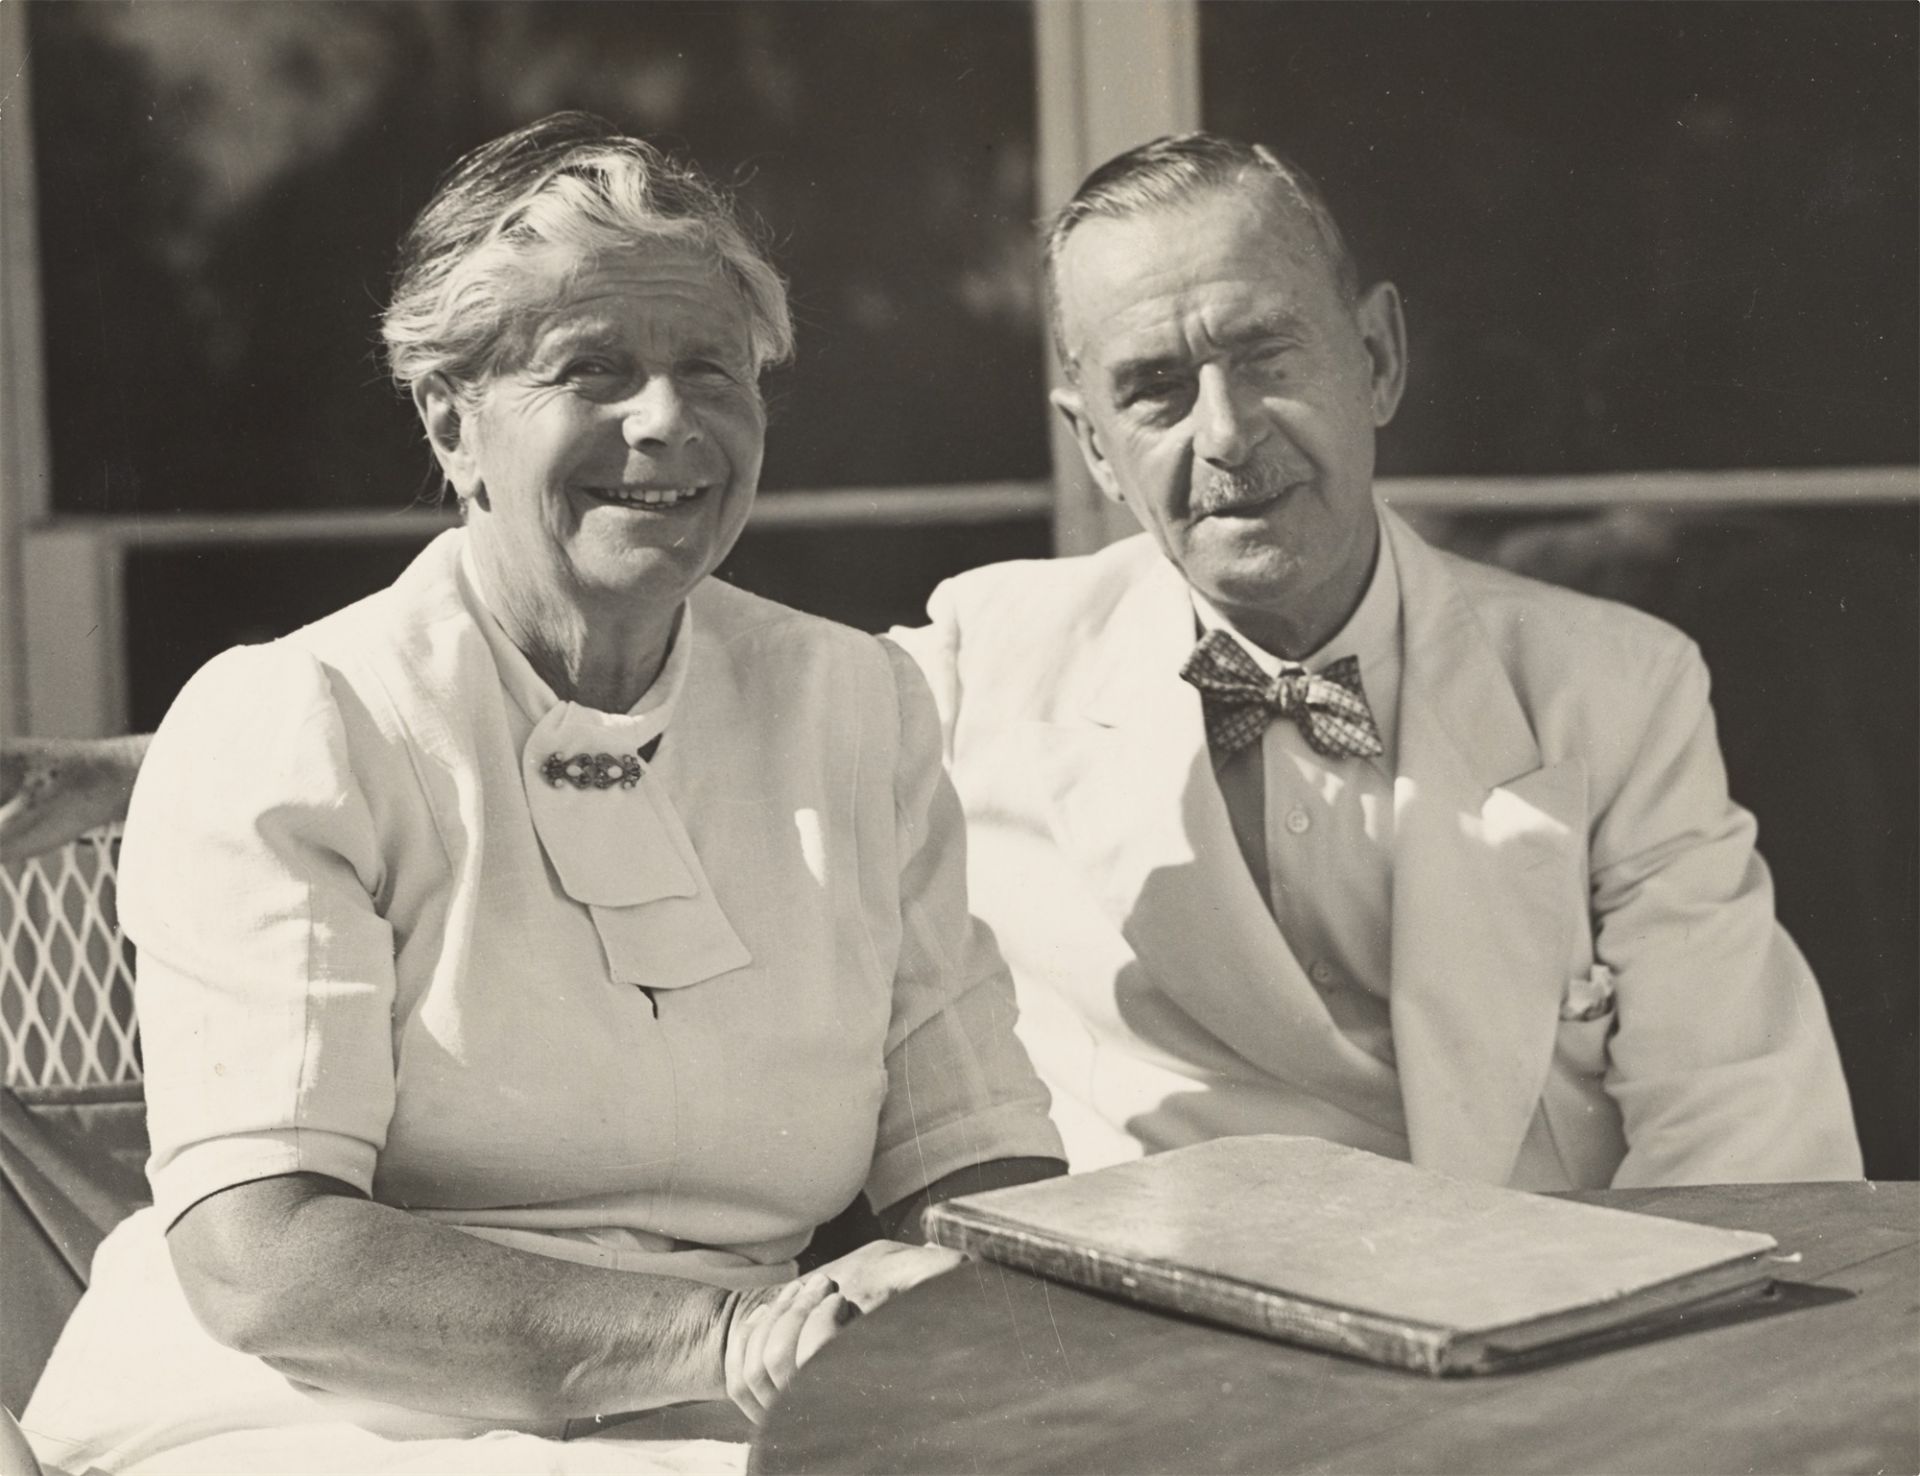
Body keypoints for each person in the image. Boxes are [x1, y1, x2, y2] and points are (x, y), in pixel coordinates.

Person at [21, 113, 1063, 1475]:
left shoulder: (852, 710)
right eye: (592, 370)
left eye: (712, 368)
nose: (667, 422)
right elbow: (266, 1263)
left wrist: (973, 1323)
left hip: (733, 1414)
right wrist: (734, 1340)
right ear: (450, 418)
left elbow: (977, 1164)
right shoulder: (300, 720)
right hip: (320, 1415)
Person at [886, 133, 1862, 1189]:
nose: (1225, 434)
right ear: (1093, 449)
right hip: (1145, 1322)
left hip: (1530, 1316)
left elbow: (1739, 1119)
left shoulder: (1616, 690)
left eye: (1266, 355)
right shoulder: (973, 671)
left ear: (1380, 360)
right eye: (1156, 389)